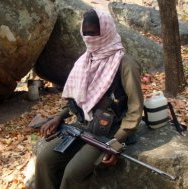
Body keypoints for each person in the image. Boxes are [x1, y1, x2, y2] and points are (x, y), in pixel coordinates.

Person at [35, 8, 143, 189]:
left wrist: (116, 142)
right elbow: (80, 100)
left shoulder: (125, 64)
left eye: (93, 33)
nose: (89, 39)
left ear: (106, 31)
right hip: (81, 126)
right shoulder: (85, 60)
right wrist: (59, 117)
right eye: (85, 34)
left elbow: (135, 109)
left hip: (109, 131)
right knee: (45, 161)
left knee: (73, 173)